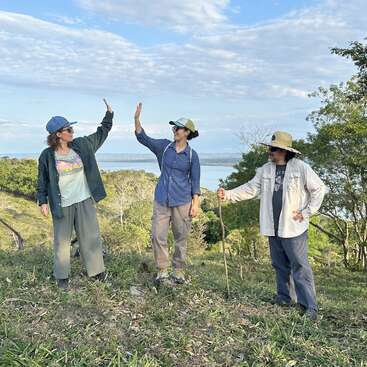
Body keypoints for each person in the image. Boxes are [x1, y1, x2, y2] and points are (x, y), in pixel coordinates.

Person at [218, 131, 325, 320]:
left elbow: (319, 189)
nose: (270, 152)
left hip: (294, 227)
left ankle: (310, 306)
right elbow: (250, 189)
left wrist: (307, 212)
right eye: (270, 148)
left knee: (299, 265)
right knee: (279, 264)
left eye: (274, 149)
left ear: (284, 151)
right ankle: (284, 297)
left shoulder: (301, 168)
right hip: (273, 225)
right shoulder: (265, 170)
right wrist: (227, 194)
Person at [36, 99, 114, 290]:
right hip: (62, 204)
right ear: (58, 135)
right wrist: (42, 201)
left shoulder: (82, 145)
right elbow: (42, 180)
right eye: (69, 130)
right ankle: (62, 276)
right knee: (62, 242)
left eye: (71, 129)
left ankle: (97, 271)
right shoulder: (47, 156)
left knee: (91, 237)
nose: (73, 132)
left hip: (84, 199)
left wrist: (109, 116)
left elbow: (101, 134)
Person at [134, 102, 201, 285]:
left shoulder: (192, 155)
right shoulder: (163, 147)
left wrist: (195, 205)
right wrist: (136, 119)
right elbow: (143, 138)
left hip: (183, 201)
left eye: (178, 128)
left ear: (187, 132)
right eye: (174, 127)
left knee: (181, 237)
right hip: (162, 198)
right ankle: (162, 271)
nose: (175, 130)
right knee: (157, 235)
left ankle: (178, 271)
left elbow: (195, 182)